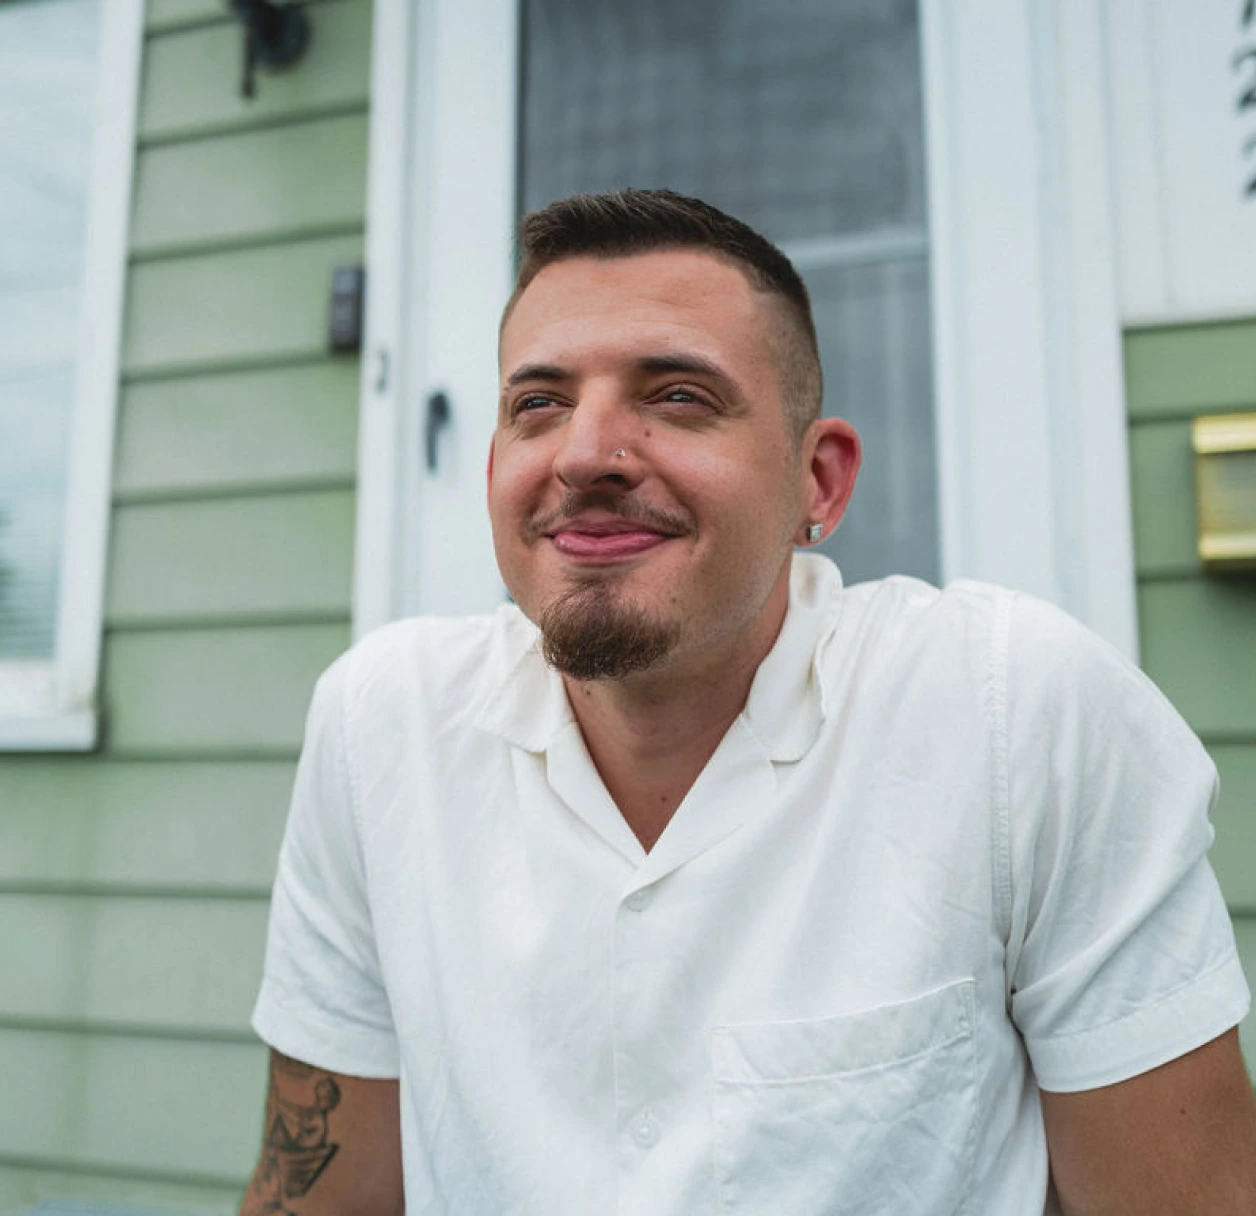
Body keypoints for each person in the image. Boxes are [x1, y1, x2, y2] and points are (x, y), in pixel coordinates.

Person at [242, 189, 1256, 1215]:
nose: (585, 454)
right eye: (537, 404)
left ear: (817, 482)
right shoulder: (382, 729)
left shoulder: (1014, 717)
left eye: (677, 394)